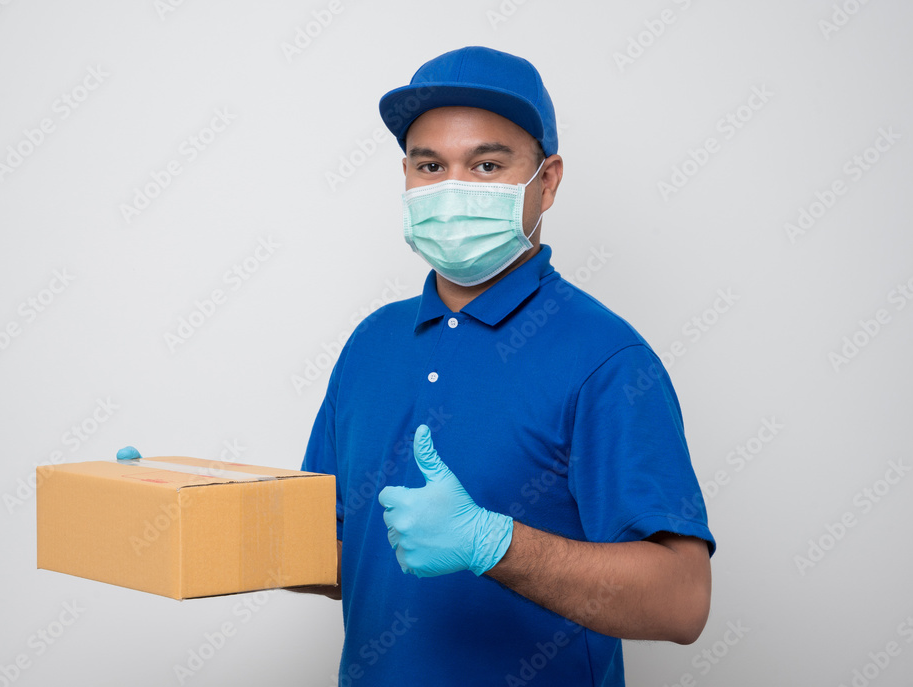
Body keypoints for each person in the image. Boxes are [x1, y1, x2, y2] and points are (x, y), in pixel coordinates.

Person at [296, 46, 716, 686]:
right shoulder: (371, 345)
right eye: (429, 165)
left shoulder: (605, 360)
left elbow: (682, 602)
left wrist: (493, 544)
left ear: (546, 182)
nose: (453, 188)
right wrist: (182, 512)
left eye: (486, 164)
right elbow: (330, 555)